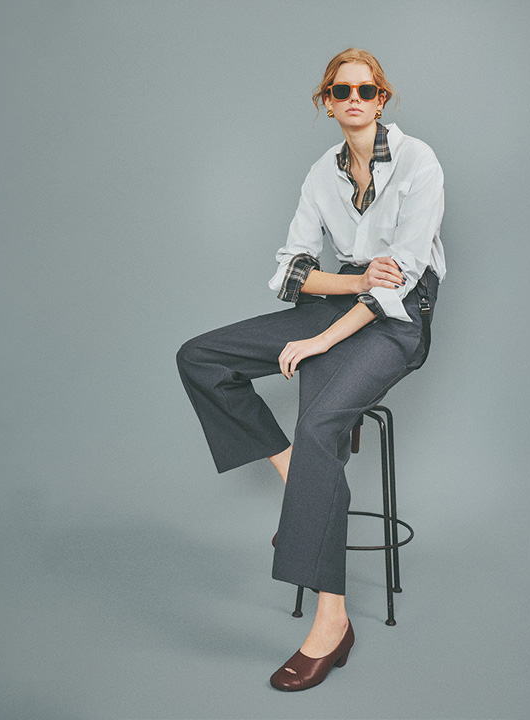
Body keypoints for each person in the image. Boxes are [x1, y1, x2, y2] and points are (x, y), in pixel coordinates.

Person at [176, 48, 446, 691]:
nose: (354, 100)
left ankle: (332, 623)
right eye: (341, 90)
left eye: (366, 90)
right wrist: (350, 281)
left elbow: (402, 279)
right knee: (201, 358)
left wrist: (325, 335)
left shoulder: (419, 162)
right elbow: (290, 273)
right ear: (326, 102)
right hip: (344, 298)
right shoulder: (321, 173)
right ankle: (301, 480)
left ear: (382, 99)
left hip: (400, 319)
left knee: (321, 423)